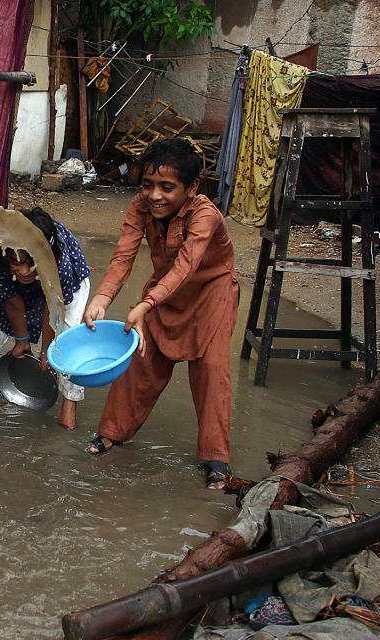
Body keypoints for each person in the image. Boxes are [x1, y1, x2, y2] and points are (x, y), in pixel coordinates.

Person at [81, 138, 239, 489]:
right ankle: (113, 433)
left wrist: (145, 304)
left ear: (191, 187)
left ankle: (216, 456)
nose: (155, 196)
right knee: (138, 357)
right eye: (148, 185)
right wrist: (102, 298)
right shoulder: (139, 207)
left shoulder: (206, 214)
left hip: (210, 292)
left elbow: (186, 266)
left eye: (167, 188)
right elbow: (123, 256)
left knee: (212, 369)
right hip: (161, 292)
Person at [0, 207, 91, 430]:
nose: (24, 271)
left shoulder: (59, 261)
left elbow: (53, 309)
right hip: (16, 285)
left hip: (62, 290)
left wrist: (47, 350)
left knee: (69, 338)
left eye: (29, 263)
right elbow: (13, 302)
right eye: (17, 263)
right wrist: (22, 340)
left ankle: (69, 404)